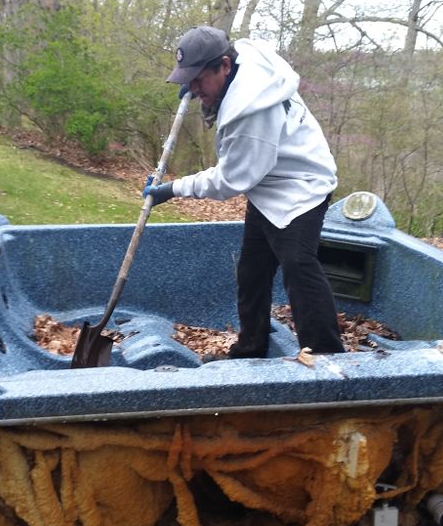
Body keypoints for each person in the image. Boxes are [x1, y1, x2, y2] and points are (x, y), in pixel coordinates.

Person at [144, 25, 345, 359]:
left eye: (198, 81)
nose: (193, 89)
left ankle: (328, 358)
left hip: (301, 188)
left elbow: (230, 180)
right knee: (252, 270)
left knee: (298, 266)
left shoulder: (252, 113)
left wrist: (173, 189)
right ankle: (251, 348)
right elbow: (242, 159)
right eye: (187, 82)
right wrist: (202, 94)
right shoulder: (244, 63)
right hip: (267, 184)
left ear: (224, 65)